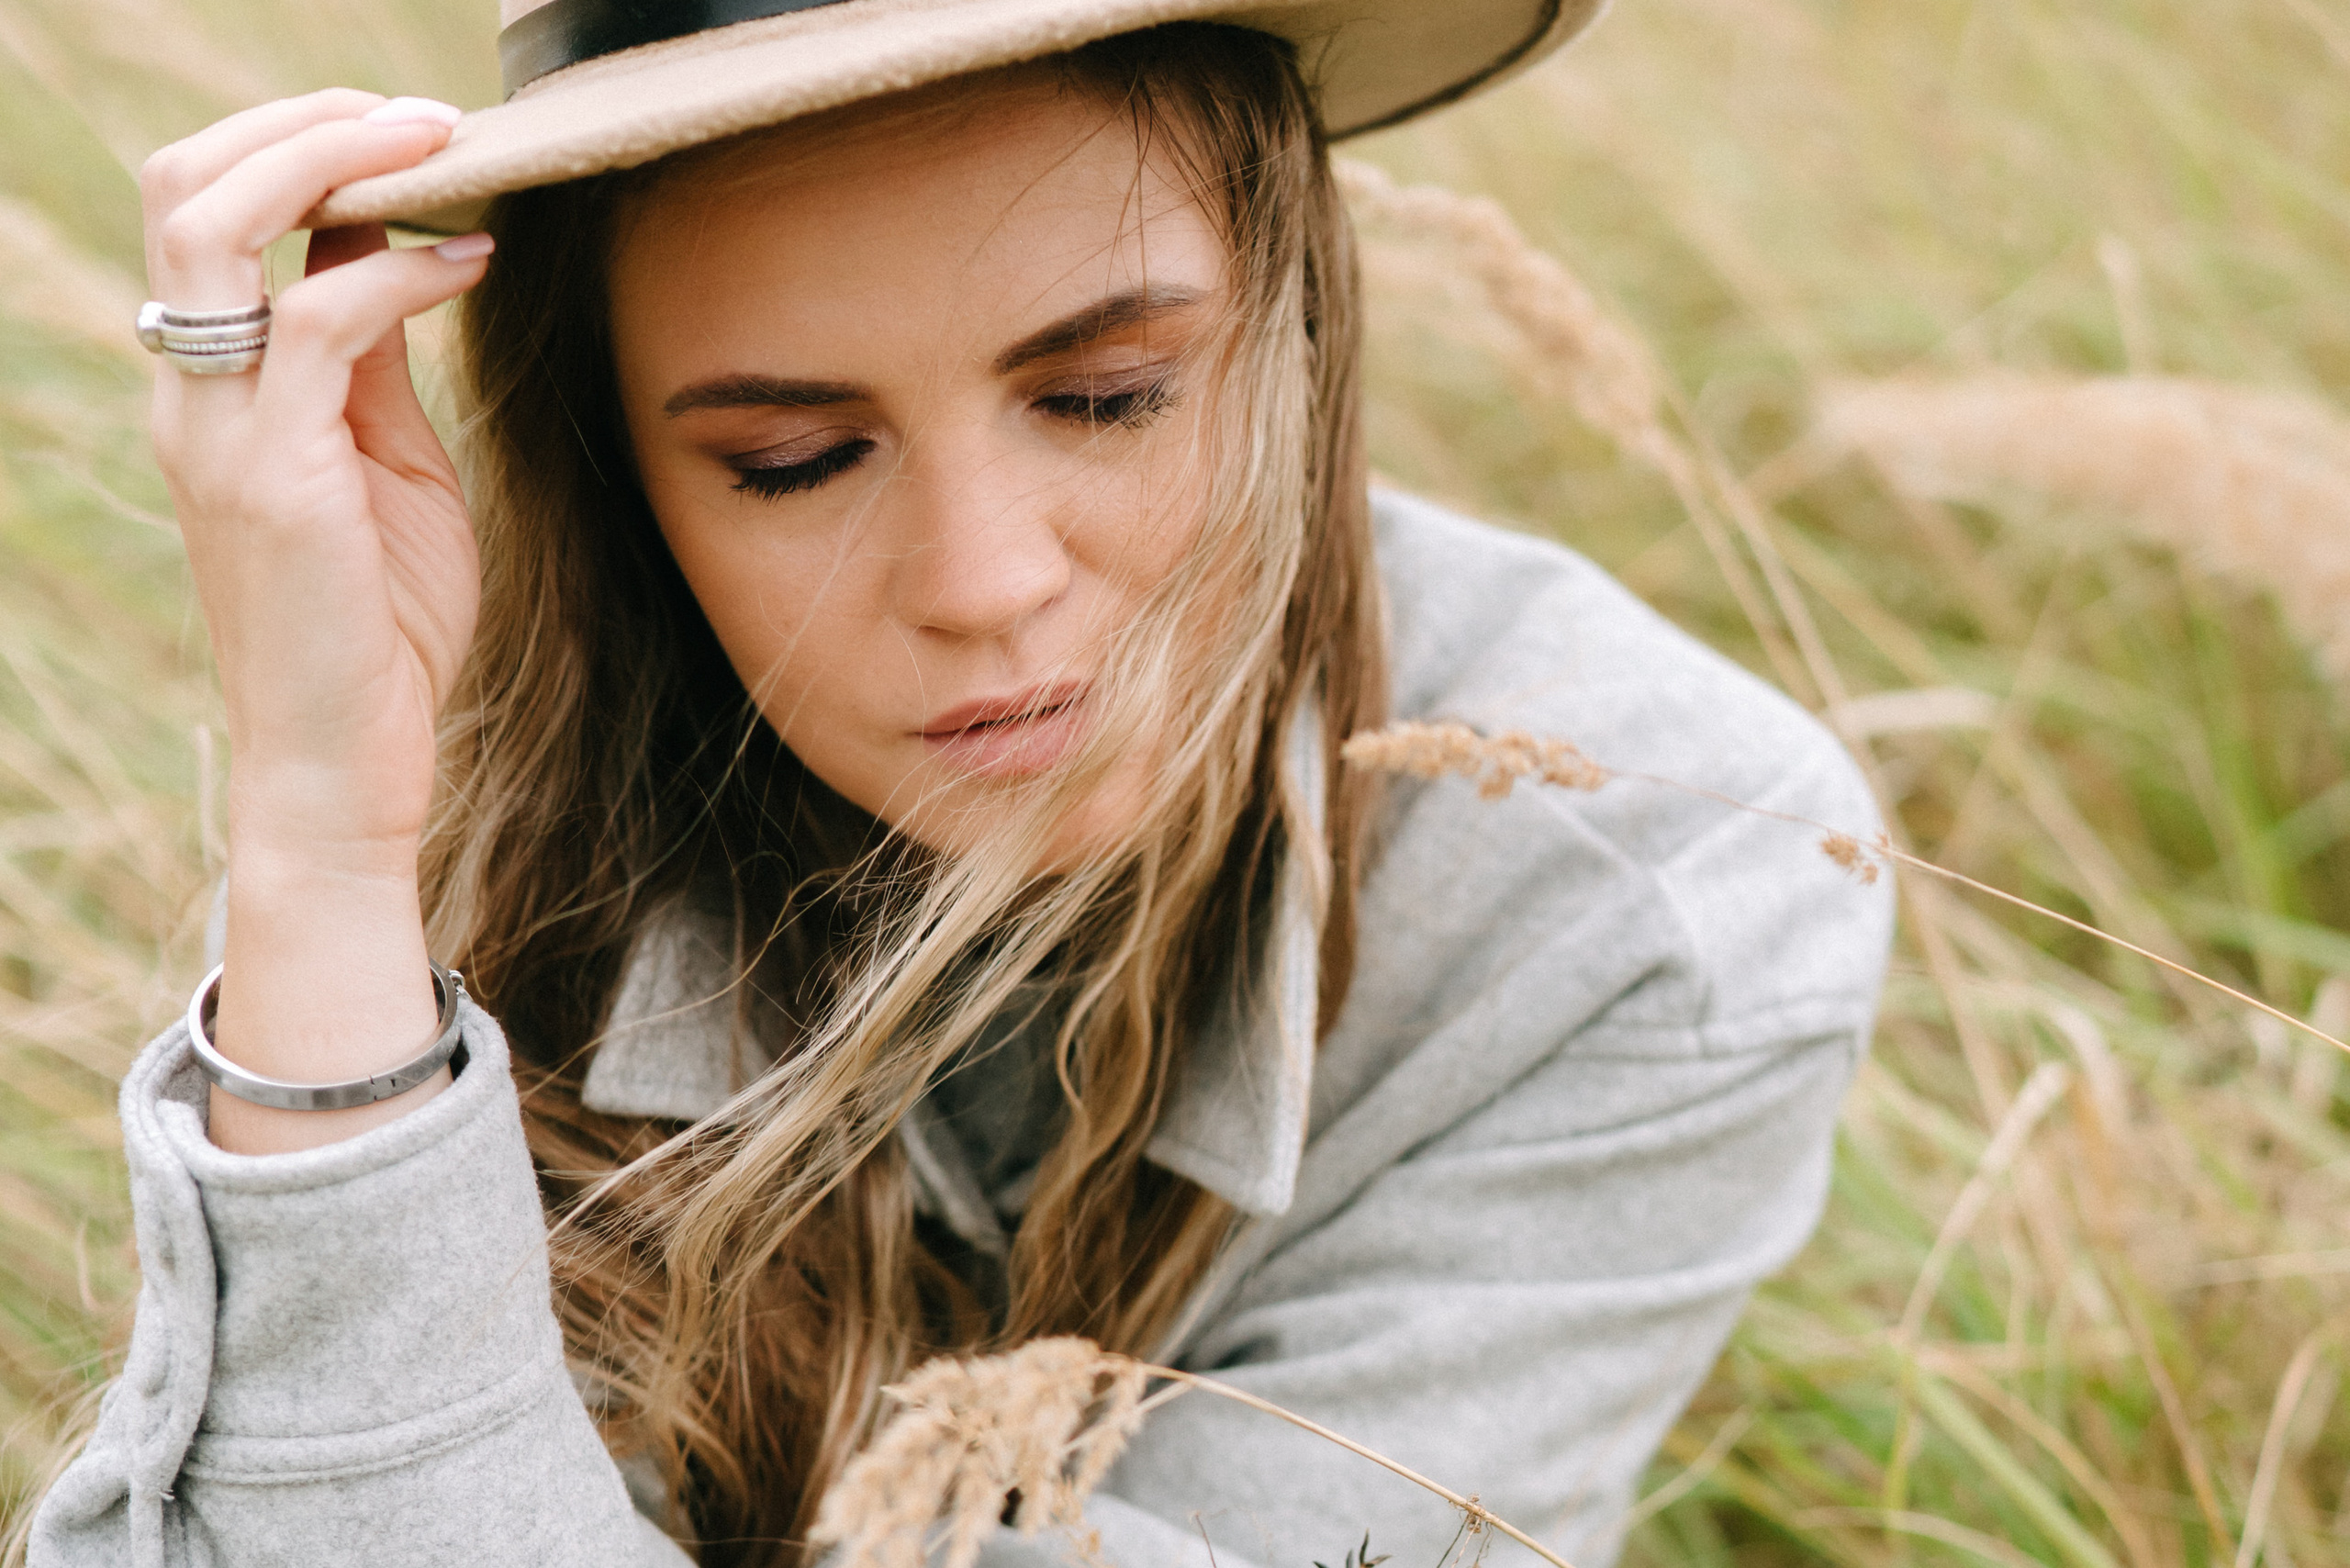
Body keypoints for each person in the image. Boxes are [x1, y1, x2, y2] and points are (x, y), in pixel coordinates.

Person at [25, 1, 1892, 1564]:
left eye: (1107, 395)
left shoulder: (1663, 888)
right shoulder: (433, 810)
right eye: (793, 457)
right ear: (625, 489)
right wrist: (319, 846)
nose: (985, 583)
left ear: (1301, 334)